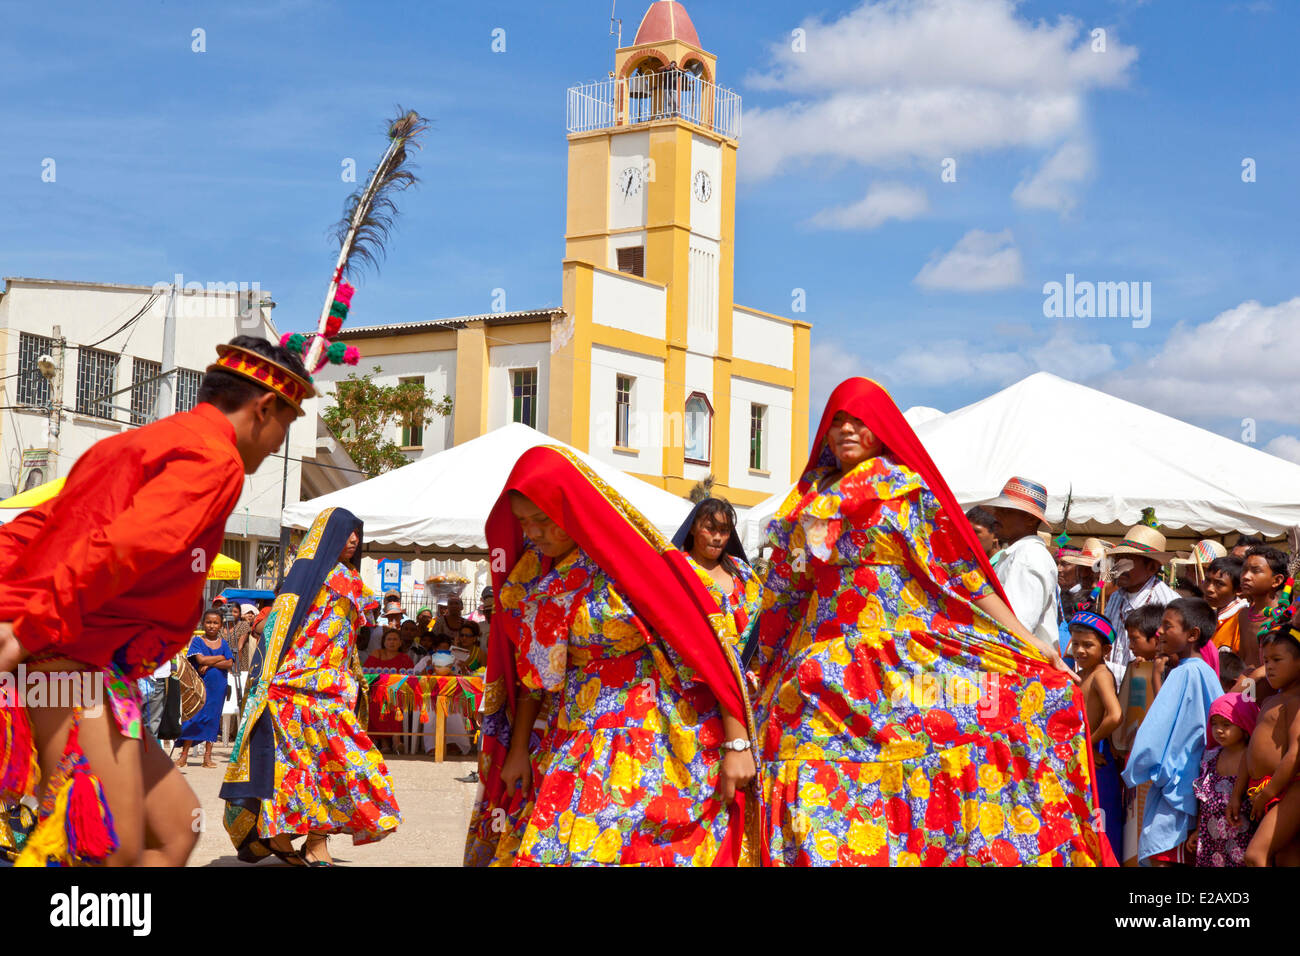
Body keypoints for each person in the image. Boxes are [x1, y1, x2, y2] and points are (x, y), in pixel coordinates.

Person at [752, 377, 1111, 867]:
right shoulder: (808, 502)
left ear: (882, 430)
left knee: (976, 723)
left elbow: (967, 580)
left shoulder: (907, 494)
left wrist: (1029, 641)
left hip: (899, 653)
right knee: (801, 751)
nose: (846, 429)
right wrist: (752, 661)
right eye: (836, 420)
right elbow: (787, 588)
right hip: (824, 656)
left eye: (859, 420)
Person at [0, 335, 308, 867]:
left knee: (173, 832)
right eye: (288, 423)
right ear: (264, 408)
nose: (281, 441)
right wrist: (22, 631)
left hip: (87, 657)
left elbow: (55, 525)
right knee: (107, 849)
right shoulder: (215, 459)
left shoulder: (156, 441)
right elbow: (124, 546)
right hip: (63, 654)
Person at [464, 445, 755, 867]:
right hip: (574, 734)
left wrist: (737, 742)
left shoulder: (631, 563)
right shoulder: (531, 577)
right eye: (524, 522)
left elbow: (709, 647)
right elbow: (536, 674)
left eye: (543, 520)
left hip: (652, 734)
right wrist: (518, 748)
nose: (534, 533)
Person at [221, 507, 400, 867]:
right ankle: (286, 839)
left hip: (333, 690)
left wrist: (352, 679)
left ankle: (313, 842)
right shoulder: (305, 576)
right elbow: (273, 630)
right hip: (293, 688)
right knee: (294, 772)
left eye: (357, 533)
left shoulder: (349, 580)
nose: (353, 539)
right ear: (325, 534)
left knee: (347, 764)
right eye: (346, 531)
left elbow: (347, 640)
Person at [1121, 598, 1223, 866]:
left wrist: (1137, 768)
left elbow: (1157, 732)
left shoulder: (1183, 674)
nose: (1160, 632)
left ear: (1192, 635)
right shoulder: (1206, 672)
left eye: (1168, 626)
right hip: (1196, 781)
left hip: (1177, 784)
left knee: (1162, 857)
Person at [673, 497, 764, 671]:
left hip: (745, 673)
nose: (717, 537)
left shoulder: (742, 571)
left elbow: (760, 615)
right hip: (695, 673)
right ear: (693, 528)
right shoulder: (678, 570)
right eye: (710, 529)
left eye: (724, 531)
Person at [1236, 622, 1300, 866]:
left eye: (1277, 660)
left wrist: (1270, 791)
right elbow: (1249, 749)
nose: (1269, 667)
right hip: (1260, 789)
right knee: (1286, 858)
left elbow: (1296, 753)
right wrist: (1236, 794)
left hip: (1289, 788)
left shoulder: (1296, 701)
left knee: (1255, 856)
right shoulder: (1271, 699)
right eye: (1266, 661)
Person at [1066, 611, 1123, 859]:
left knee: (1102, 821)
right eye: (1076, 643)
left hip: (1097, 758)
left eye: (1088, 645)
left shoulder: (1100, 674)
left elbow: (1115, 715)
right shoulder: (1084, 674)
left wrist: (1089, 744)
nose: (1080, 650)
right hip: (1089, 756)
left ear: (1106, 649)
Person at [986, 477, 1062, 658]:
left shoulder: (1028, 557)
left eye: (1004, 511)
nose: (996, 516)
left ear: (1029, 518)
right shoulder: (1019, 554)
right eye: (998, 509)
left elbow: (1017, 627)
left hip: (1018, 666)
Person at [1103, 523, 1179, 675]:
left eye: (1128, 561)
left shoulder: (1170, 605)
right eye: (1118, 560)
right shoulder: (1115, 597)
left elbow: (1175, 657)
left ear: (1151, 567)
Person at [1193, 692, 1257, 867]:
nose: (1218, 730)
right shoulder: (1210, 756)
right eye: (1214, 724)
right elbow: (1203, 800)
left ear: (1244, 726)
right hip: (1210, 841)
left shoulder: (1253, 757)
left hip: (1242, 840)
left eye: (1226, 724)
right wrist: (1198, 829)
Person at [176, 610, 234, 768]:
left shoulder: (224, 643)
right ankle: (184, 755)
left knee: (213, 720)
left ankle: (207, 758)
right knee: (194, 718)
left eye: (215, 623)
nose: (212, 626)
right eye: (209, 622)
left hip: (219, 687)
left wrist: (209, 663)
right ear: (203, 623)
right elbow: (200, 659)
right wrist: (220, 658)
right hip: (200, 687)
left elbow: (229, 663)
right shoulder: (197, 641)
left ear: (221, 626)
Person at [363, 629, 414, 755]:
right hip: (376, 692)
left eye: (395, 639)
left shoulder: (405, 658)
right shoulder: (377, 653)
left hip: (398, 693)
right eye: (389, 639)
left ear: (400, 642)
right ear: (384, 642)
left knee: (394, 700)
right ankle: (385, 743)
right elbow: (367, 674)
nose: (392, 642)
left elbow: (411, 678)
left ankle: (396, 741)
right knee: (379, 701)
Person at [1239, 545, 1287, 669]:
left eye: (1256, 571)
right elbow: (1243, 657)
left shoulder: (1283, 616)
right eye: (1244, 570)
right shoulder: (1244, 614)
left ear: (1276, 581)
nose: (1246, 576)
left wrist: (1254, 677)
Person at [1205, 555, 1247, 656]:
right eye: (1207, 580)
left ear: (1238, 590)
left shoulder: (1242, 619)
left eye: (1219, 584)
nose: (1209, 589)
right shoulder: (1210, 616)